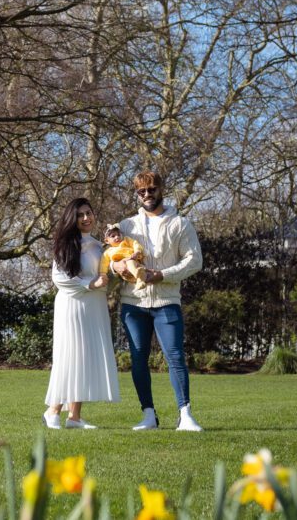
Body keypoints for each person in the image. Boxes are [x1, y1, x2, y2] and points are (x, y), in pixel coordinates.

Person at [111, 170, 204, 432]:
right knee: (138, 359)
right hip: (133, 303)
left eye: (151, 189)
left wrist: (162, 275)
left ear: (161, 189)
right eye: (141, 191)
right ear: (136, 195)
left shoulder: (180, 224)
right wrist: (116, 269)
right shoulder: (126, 226)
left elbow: (194, 261)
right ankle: (148, 416)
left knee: (175, 356)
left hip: (166, 301)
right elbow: (110, 258)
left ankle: (185, 415)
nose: (147, 195)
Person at [43, 197, 120, 429]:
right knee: (69, 356)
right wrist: (90, 284)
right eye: (80, 215)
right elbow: (59, 279)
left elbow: (106, 276)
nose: (86, 218)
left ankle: (74, 417)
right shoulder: (65, 244)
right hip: (72, 306)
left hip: (95, 307)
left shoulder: (99, 246)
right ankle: (53, 410)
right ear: (72, 218)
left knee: (85, 358)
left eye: (89, 213)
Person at [92, 223, 147, 292]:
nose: (117, 237)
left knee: (130, 262)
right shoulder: (108, 252)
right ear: (106, 241)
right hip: (124, 271)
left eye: (118, 235)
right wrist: (103, 274)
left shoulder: (126, 241)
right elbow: (104, 263)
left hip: (132, 260)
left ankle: (137, 273)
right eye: (113, 236)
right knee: (130, 278)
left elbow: (135, 243)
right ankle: (139, 281)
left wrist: (137, 251)